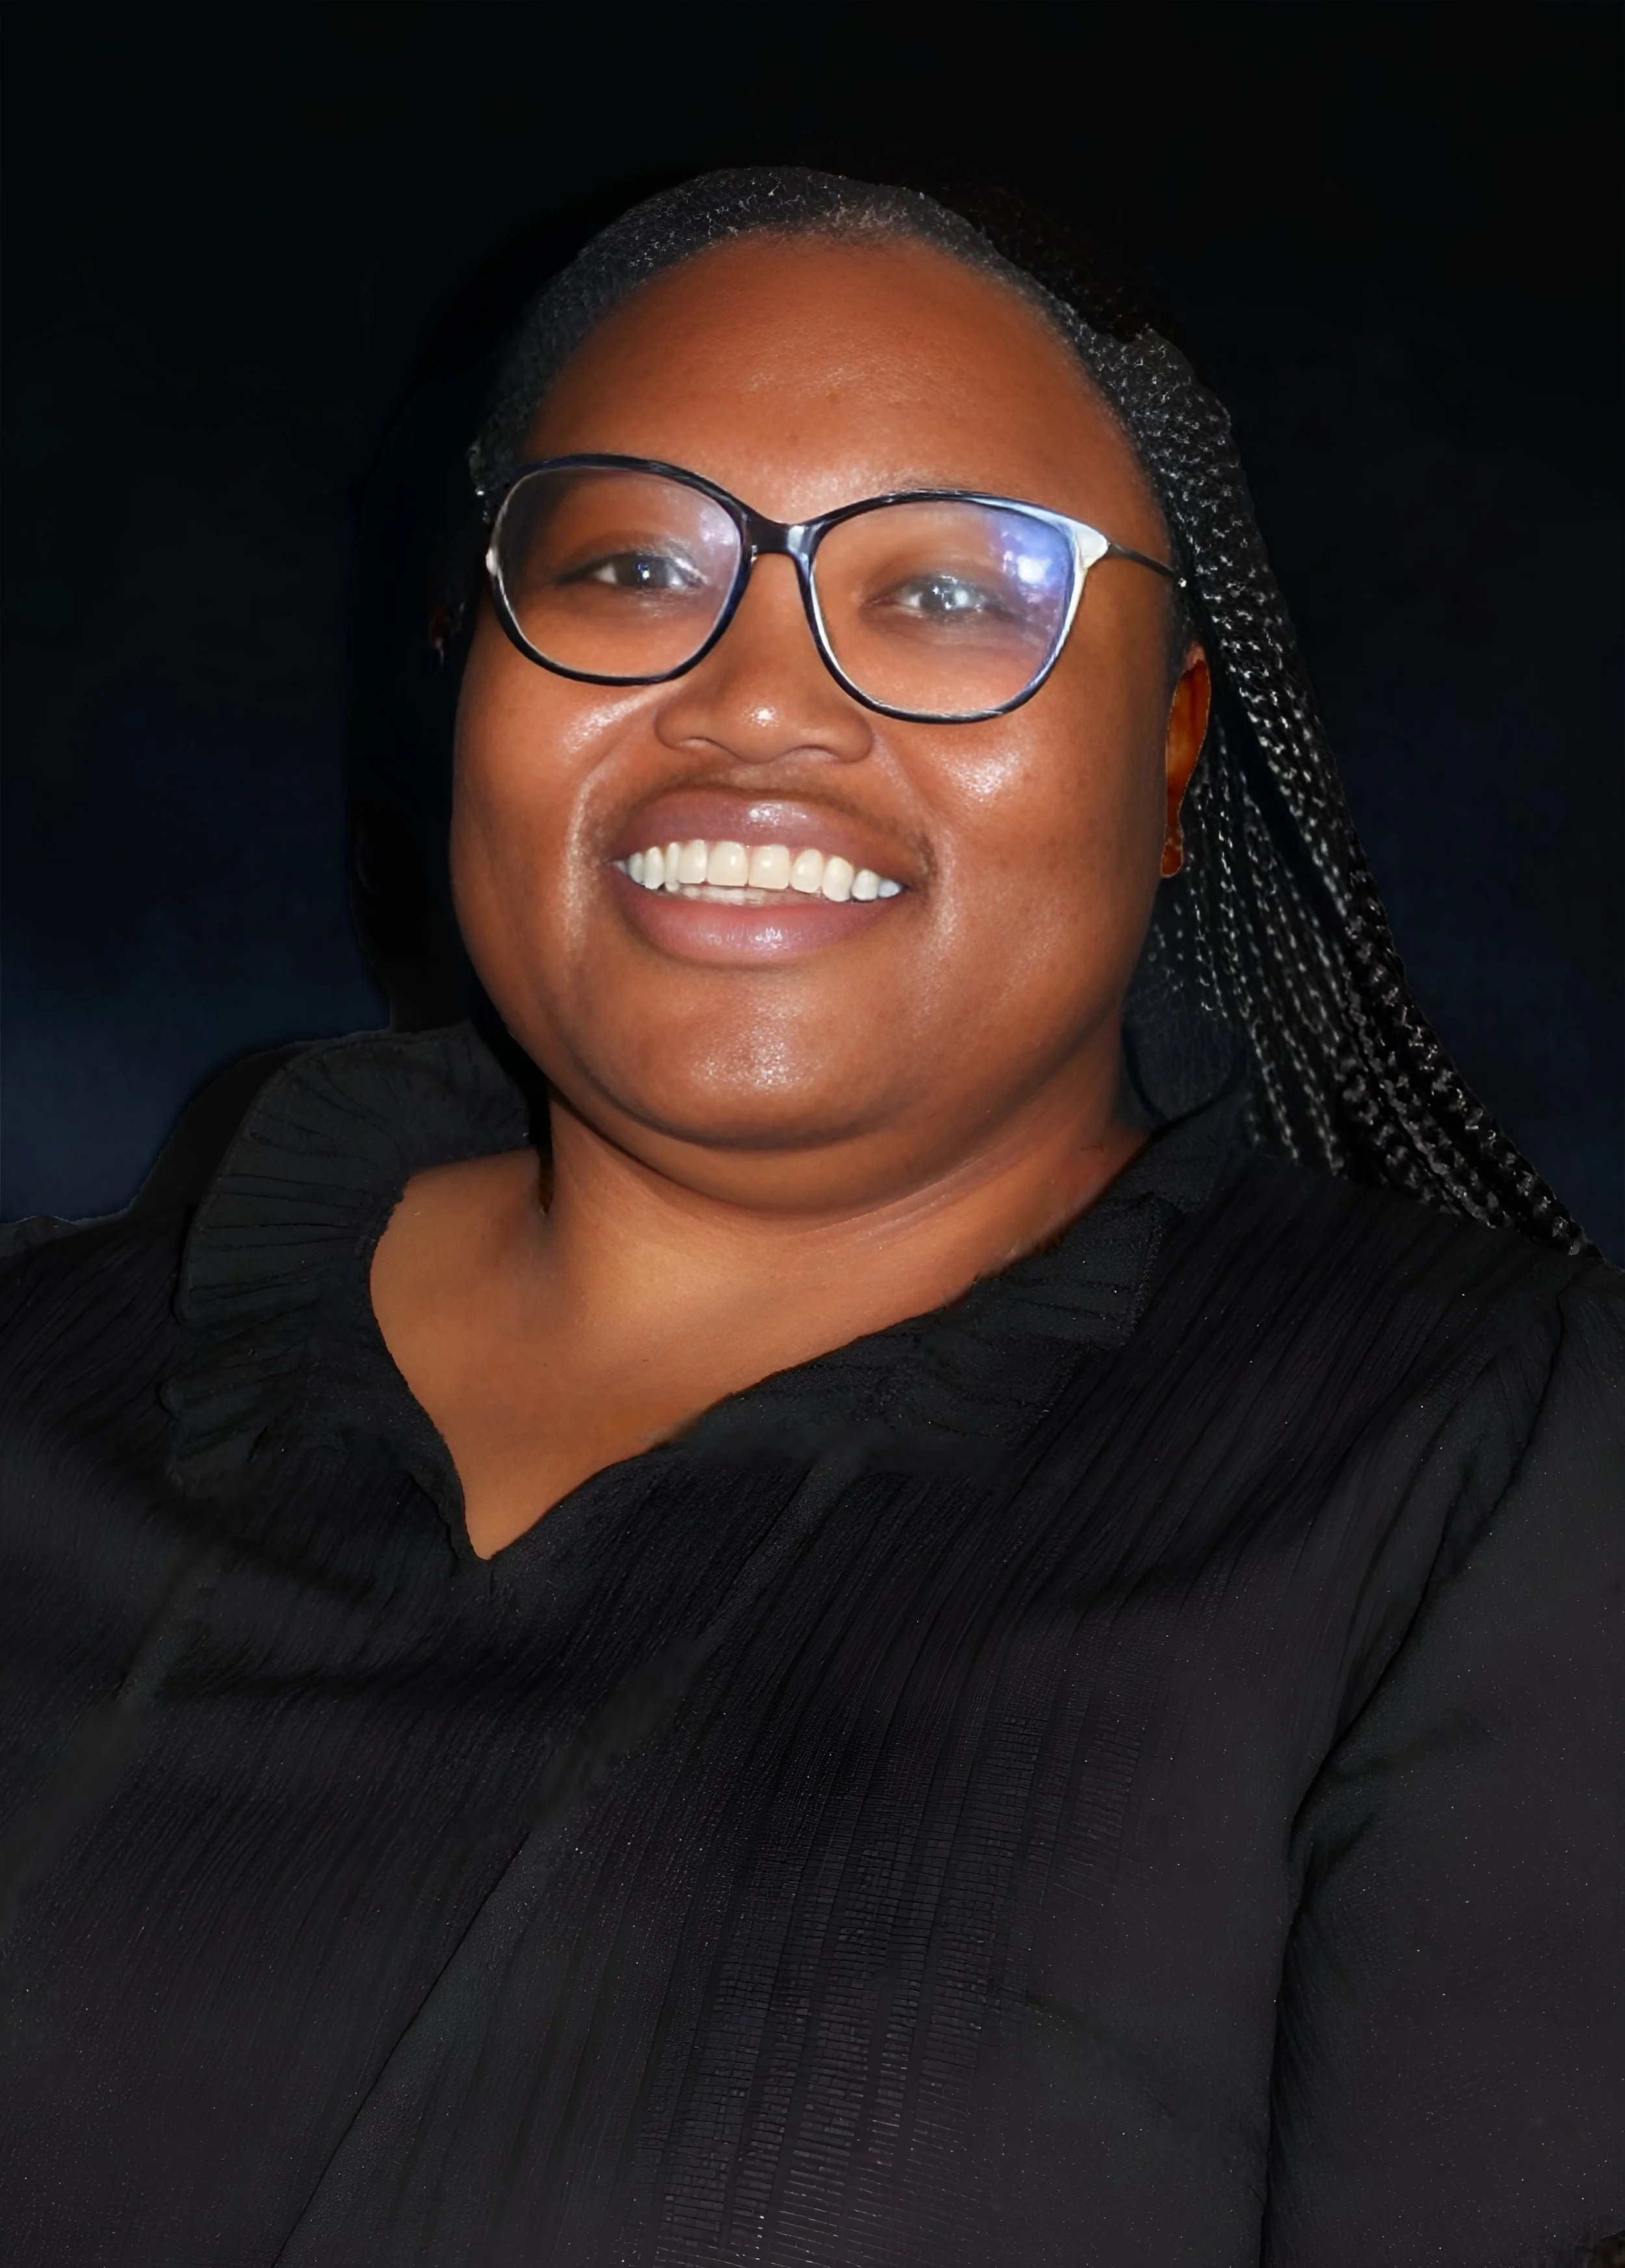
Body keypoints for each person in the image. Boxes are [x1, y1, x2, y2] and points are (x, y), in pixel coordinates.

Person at [0, 168, 1619, 2268]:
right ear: (467, 670)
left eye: (950, 591)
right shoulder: (46, 1381)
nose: (755, 699)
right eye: (626, 566)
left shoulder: (1485, 1487)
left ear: (1167, 756)